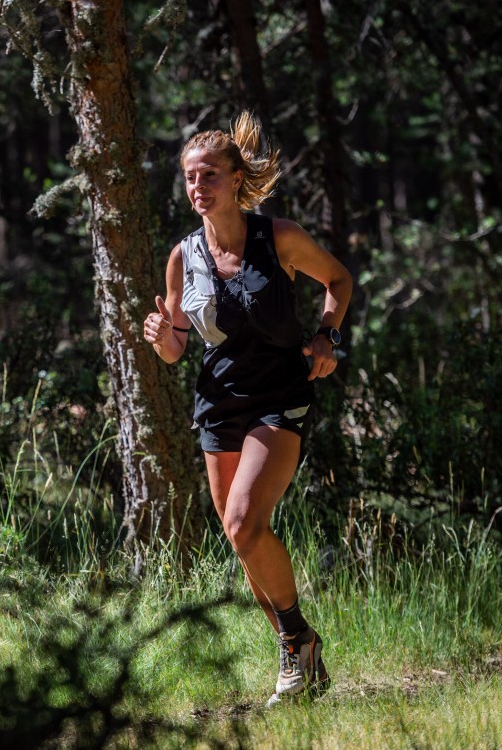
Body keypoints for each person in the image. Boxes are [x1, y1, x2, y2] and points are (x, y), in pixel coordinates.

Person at [143, 112, 352, 705]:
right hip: (218, 404)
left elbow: (337, 279)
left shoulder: (277, 237)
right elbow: (177, 347)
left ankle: (295, 645)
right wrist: (162, 335)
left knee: (241, 521)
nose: (197, 188)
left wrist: (326, 337)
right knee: (244, 539)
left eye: (208, 175)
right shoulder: (183, 256)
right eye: (189, 178)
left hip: (280, 396)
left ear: (237, 179)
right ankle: (300, 654)